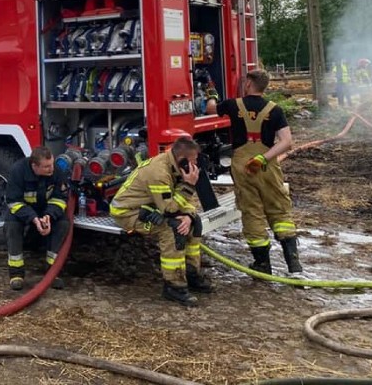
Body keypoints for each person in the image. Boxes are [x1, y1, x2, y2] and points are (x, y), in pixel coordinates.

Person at [208, 68, 301, 274]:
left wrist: (212, 94)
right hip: (267, 166)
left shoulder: (233, 105)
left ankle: (262, 264)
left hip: (242, 166)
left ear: (249, 84)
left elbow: (210, 109)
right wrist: (263, 158)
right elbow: (286, 142)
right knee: (279, 209)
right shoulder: (275, 109)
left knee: (252, 211)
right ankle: (294, 263)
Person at [109, 136, 211, 306]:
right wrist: (189, 186)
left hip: (150, 207)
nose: (195, 165)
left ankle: (192, 273)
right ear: (182, 160)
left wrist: (189, 216)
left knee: (195, 222)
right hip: (128, 213)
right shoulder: (159, 172)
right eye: (193, 161)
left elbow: (188, 202)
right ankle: (174, 286)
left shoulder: (177, 167)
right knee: (172, 229)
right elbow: (169, 208)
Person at [4, 146, 70, 291]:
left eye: (51, 164)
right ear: (34, 166)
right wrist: (33, 218)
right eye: (46, 166)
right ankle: (16, 274)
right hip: (23, 211)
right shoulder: (18, 171)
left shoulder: (56, 171)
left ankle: (52, 271)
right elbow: (13, 202)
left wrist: (49, 216)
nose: (51, 169)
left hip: (46, 211)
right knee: (12, 225)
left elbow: (60, 198)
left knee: (64, 223)